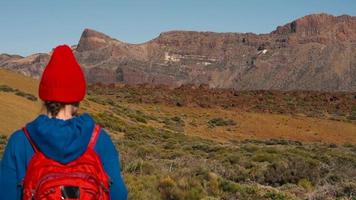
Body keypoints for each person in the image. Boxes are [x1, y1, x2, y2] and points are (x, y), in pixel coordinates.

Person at [0, 45, 128, 199]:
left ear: (45, 96)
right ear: (78, 96)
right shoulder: (99, 139)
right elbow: (119, 195)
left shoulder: (20, 141)